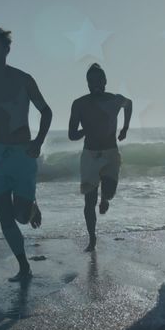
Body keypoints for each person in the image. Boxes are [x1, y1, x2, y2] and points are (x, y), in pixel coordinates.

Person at [0, 28, 51, 281]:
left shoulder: (23, 79)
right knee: (4, 216)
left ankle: (31, 208)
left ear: (6, 49)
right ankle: (23, 266)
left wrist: (38, 141)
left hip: (22, 154)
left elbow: (46, 112)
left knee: (21, 216)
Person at [68, 63, 131, 252]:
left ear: (105, 81)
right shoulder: (79, 104)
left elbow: (129, 104)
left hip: (111, 152)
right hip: (89, 156)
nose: (95, 84)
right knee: (89, 201)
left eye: (98, 80)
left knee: (109, 192)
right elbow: (72, 134)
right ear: (87, 83)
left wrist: (125, 128)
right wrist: (86, 129)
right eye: (91, 81)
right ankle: (92, 238)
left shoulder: (114, 100)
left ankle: (105, 199)